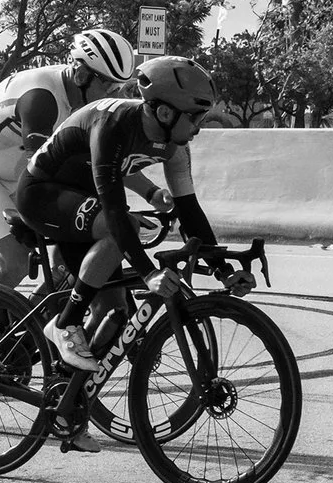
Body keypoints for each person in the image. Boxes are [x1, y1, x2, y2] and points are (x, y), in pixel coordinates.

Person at [13, 55, 241, 451]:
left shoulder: (175, 146)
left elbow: (190, 211)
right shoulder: (114, 123)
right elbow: (115, 210)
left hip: (83, 201)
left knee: (116, 313)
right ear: (165, 112)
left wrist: (223, 270)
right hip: (42, 193)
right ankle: (64, 323)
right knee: (123, 229)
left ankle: (67, 406)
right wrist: (150, 273)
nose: (199, 127)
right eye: (195, 117)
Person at [0, 28, 140, 292]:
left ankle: (33, 314)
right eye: (108, 85)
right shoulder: (41, 98)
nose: (114, 94)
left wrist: (153, 194)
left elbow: (104, 160)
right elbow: (41, 171)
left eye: (119, 87)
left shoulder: (84, 101)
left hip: (16, 177)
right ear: (82, 75)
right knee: (15, 263)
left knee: (69, 256)